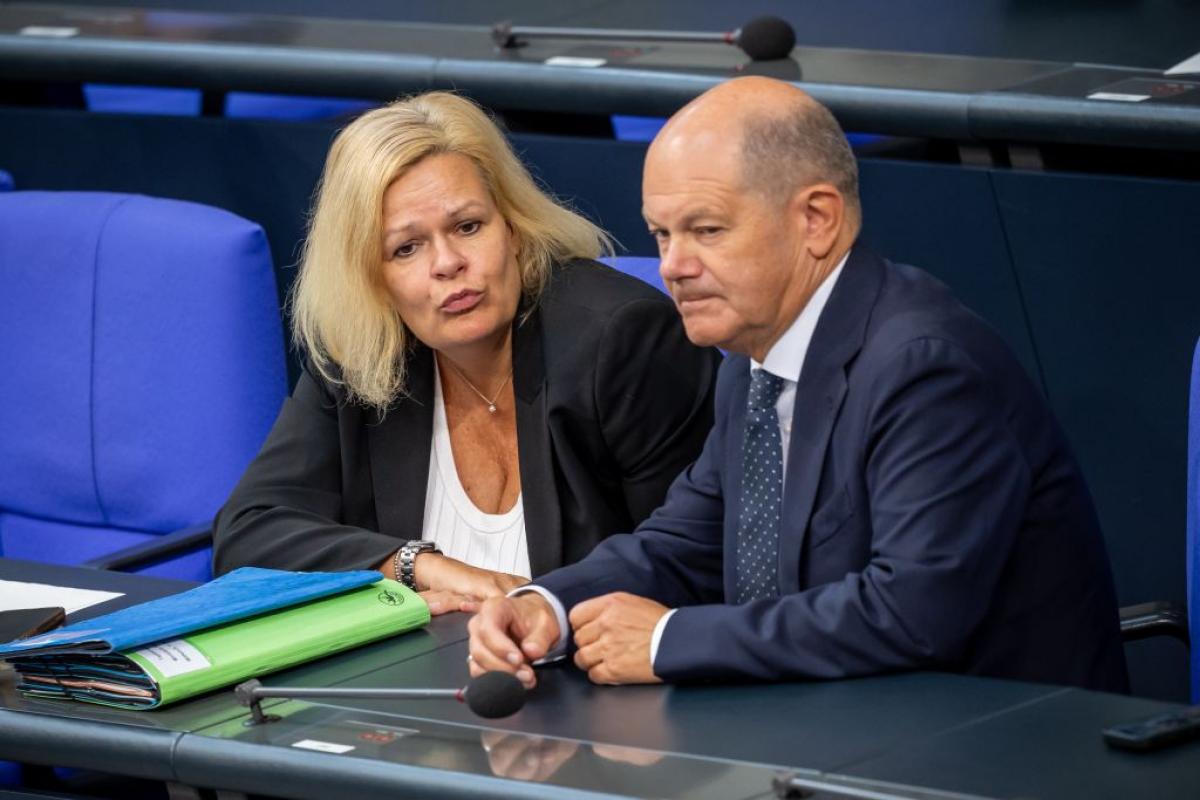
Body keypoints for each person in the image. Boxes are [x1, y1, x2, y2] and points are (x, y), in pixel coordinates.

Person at [467, 77, 1129, 692]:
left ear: (817, 219)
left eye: (706, 230)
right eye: (662, 235)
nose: (673, 266)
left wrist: (668, 640)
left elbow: (912, 613)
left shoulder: (925, 367)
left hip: (990, 735)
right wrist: (546, 605)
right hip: (827, 717)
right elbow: (684, 544)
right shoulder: (751, 360)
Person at [212, 92, 720, 614]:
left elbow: (691, 563)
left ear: (514, 228)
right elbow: (248, 531)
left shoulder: (623, 342)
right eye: (406, 248)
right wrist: (416, 565)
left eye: (468, 226)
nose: (448, 262)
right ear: (373, 278)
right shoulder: (364, 353)